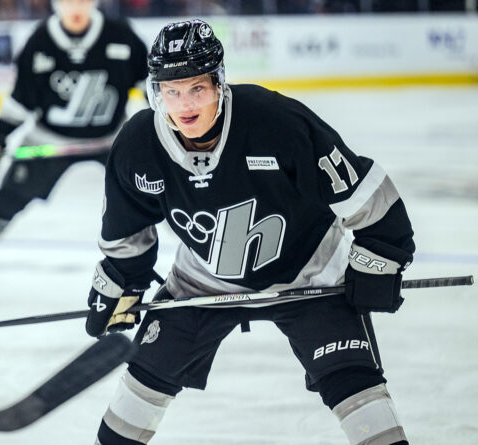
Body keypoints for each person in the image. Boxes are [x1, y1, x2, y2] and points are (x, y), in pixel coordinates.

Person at [85, 20, 415, 445]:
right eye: (172, 91)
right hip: (200, 282)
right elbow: (126, 232)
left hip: (309, 275)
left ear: (219, 84)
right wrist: (118, 283)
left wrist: (379, 257)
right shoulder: (138, 144)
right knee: (142, 384)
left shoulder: (275, 121)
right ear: (156, 92)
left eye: (197, 89)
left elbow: (365, 192)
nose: (184, 103)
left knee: (356, 388)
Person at [0, 0, 149, 292]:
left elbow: (151, 88)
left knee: (162, 190)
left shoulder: (121, 34)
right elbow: (20, 100)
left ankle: (200, 259)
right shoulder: (40, 40)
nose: (75, 6)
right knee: (5, 202)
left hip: (112, 139)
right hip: (50, 141)